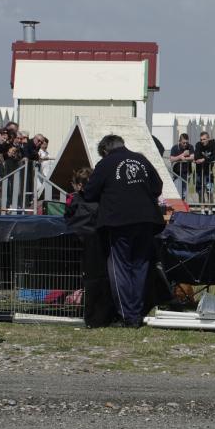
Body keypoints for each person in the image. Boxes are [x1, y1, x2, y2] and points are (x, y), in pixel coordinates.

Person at [83, 134, 165, 328]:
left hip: (119, 221)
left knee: (119, 266)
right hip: (146, 220)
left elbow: (90, 193)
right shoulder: (141, 159)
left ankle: (127, 314)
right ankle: (136, 311)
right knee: (140, 265)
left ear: (105, 150)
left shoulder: (105, 164)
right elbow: (157, 187)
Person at [65, 166, 115, 328]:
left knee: (90, 280)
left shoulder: (75, 200)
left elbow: (68, 219)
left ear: (79, 185)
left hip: (80, 245)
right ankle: (102, 313)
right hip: (100, 243)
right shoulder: (103, 199)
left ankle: (91, 313)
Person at [193, 131, 215, 203]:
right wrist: (207, 159)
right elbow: (196, 156)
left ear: (208, 139)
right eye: (201, 139)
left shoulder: (213, 144)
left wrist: (204, 159)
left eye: (204, 139)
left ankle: (210, 210)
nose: (202, 141)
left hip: (209, 173)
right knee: (200, 193)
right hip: (199, 172)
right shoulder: (198, 145)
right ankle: (202, 210)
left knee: (209, 191)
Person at [169, 133, 194, 200]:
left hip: (186, 173)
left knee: (184, 193)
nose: (185, 144)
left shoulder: (190, 147)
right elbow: (171, 159)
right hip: (176, 174)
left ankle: (183, 207)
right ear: (179, 141)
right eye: (183, 143)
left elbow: (192, 157)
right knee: (177, 192)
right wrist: (181, 155)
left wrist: (185, 159)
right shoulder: (175, 148)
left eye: (186, 143)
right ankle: (178, 207)